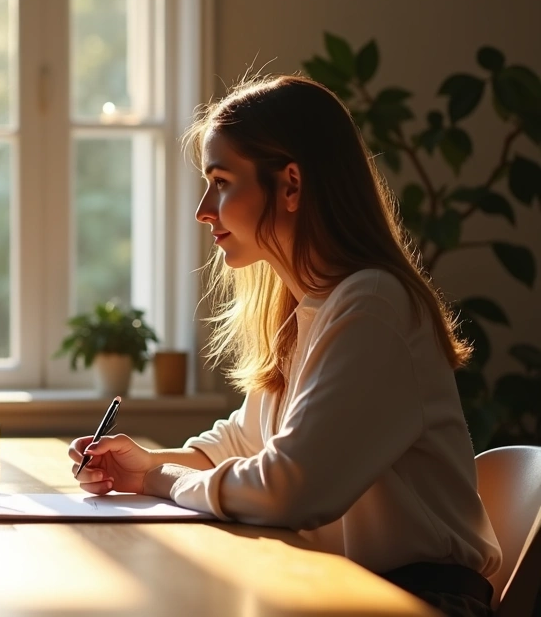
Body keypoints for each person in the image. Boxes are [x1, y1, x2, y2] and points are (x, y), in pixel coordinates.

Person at [69, 75, 501, 616]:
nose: (205, 209)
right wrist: (145, 466)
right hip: (338, 589)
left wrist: (160, 478)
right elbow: (242, 445)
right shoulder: (307, 309)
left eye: (221, 181)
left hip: (417, 600)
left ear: (291, 185)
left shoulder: (372, 306)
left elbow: (288, 488)